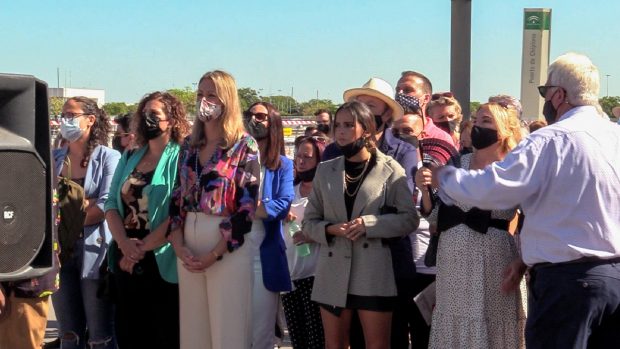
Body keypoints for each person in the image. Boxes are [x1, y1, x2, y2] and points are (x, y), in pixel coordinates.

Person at [433, 52, 620, 348]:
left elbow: (495, 188)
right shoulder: (615, 136)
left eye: (545, 92)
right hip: (614, 279)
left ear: (558, 95)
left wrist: (446, 177)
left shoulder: (551, 140)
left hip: (567, 282)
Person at [303, 101, 418, 349]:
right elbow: (309, 222)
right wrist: (330, 229)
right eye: (337, 125)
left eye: (348, 125)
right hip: (332, 270)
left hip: (373, 270)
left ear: (366, 129)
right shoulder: (325, 170)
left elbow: (409, 219)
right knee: (334, 345)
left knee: (377, 345)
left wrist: (370, 224)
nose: (340, 131)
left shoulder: (390, 169)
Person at [418, 101, 526, 348]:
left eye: (486, 121)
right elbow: (436, 218)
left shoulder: (513, 169)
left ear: (506, 129)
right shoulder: (457, 165)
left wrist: (523, 261)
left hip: (495, 261)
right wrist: (425, 190)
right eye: (476, 120)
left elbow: (532, 216)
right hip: (453, 263)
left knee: (494, 327)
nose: (478, 125)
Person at [167, 70, 260, 349]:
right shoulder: (189, 146)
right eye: (199, 95)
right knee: (194, 334)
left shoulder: (244, 146)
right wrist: (177, 243)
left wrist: (215, 252)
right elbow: (177, 196)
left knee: (227, 332)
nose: (204, 101)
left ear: (227, 100)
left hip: (225, 244)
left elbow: (246, 208)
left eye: (211, 95)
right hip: (188, 242)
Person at [105, 91, 190, 349]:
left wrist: (141, 249)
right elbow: (111, 204)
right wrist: (124, 245)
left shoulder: (182, 156)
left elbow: (180, 208)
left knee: (164, 334)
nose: (147, 120)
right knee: (130, 333)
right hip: (125, 253)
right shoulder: (131, 156)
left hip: (161, 255)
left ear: (172, 120)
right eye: (144, 114)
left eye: (155, 115)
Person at [52, 96, 120, 349]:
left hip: (95, 252)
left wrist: (65, 214)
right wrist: (82, 206)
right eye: (63, 115)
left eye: (71, 114)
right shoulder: (54, 158)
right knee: (68, 333)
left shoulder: (108, 157)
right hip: (60, 253)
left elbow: (104, 206)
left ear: (90, 120)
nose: (65, 120)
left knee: (100, 335)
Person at [243, 101, 294, 349]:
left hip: (263, 257)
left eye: (261, 116)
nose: (254, 119)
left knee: (261, 332)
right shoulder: (234, 162)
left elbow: (282, 205)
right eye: (250, 115)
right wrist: (258, 208)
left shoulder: (283, 165)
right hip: (230, 251)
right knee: (233, 328)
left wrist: (248, 208)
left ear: (272, 121)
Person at [282, 136, 327, 349]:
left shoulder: (325, 191)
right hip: (290, 273)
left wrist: (311, 235)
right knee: (298, 338)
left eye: (307, 157)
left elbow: (335, 225)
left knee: (317, 337)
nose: (300, 161)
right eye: (298, 156)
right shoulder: (289, 189)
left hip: (316, 274)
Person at [395, 71, 455, 146]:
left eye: (407, 90)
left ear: (426, 98)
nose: (400, 94)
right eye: (397, 90)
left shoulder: (440, 138)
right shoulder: (386, 133)